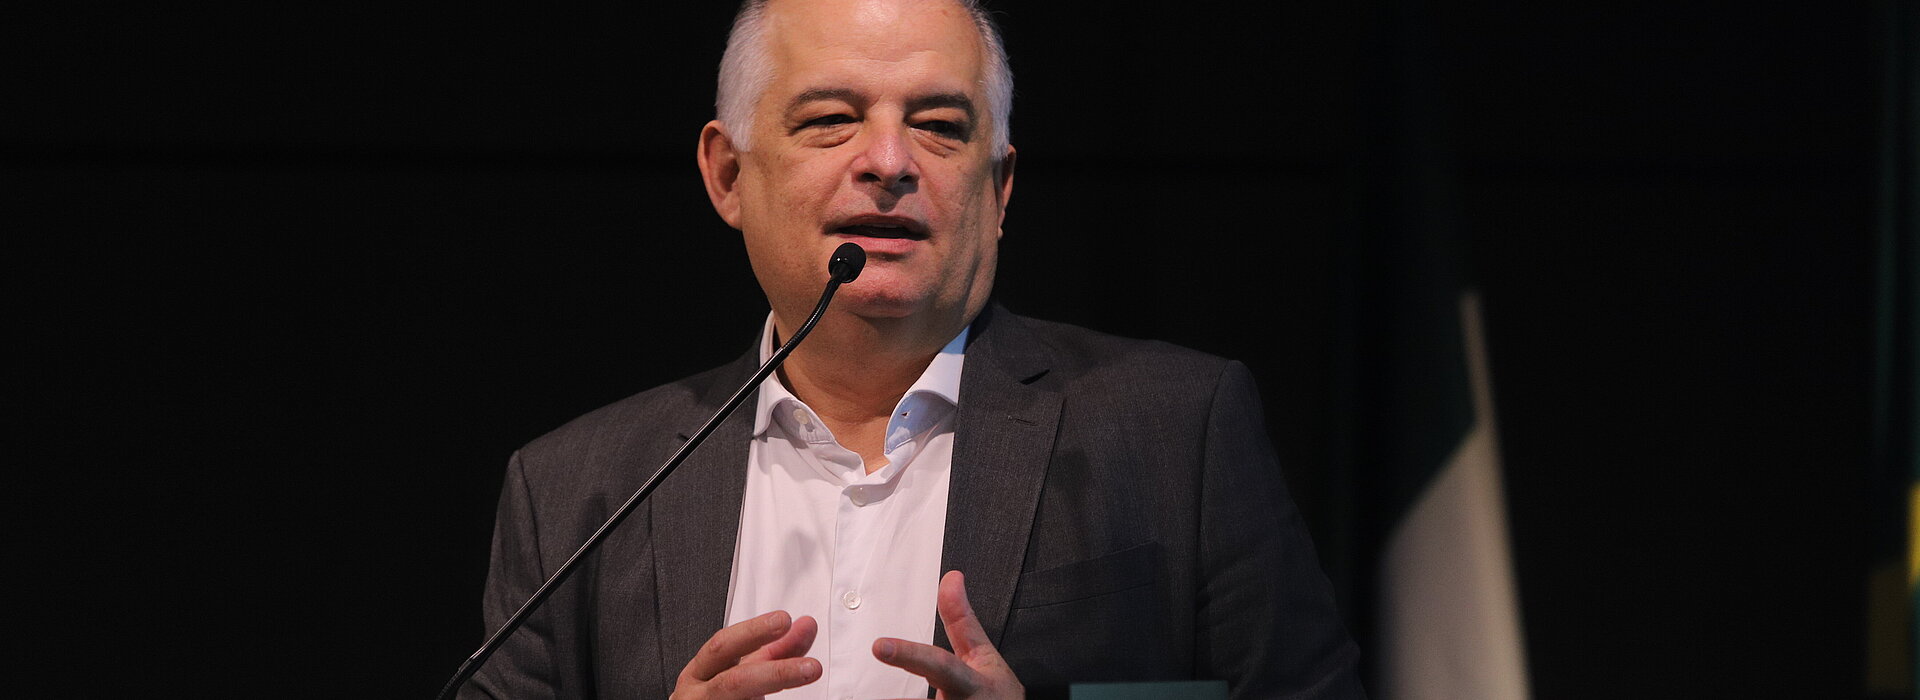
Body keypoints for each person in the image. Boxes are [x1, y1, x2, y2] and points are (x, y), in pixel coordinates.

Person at [464, 1, 1364, 698]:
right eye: (832, 118)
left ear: (999, 187)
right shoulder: (575, 494)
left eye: (939, 123)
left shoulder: (1177, 433)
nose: (890, 160)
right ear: (729, 174)